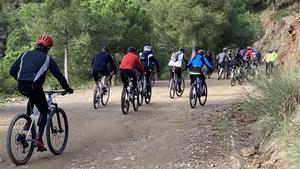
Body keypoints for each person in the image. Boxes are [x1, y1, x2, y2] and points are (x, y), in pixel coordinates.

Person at [10, 34, 74, 152]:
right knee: (44, 111)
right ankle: (38, 138)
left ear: (37, 44)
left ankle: (28, 123)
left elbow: (12, 70)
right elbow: (58, 76)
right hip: (34, 87)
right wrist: (67, 88)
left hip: (21, 86)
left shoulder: (25, 54)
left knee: (32, 97)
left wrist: (20, 80)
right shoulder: (48, 59)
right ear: (49, 48)